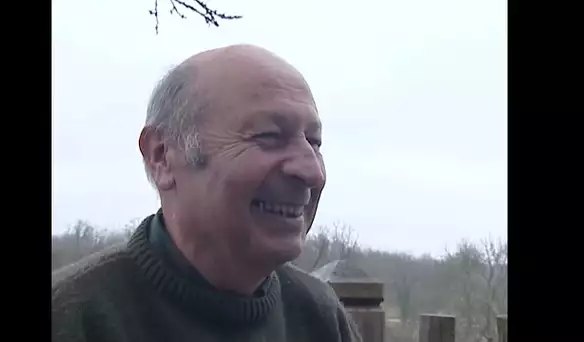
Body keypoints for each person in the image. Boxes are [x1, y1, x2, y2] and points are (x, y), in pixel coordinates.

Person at [52, 44, 362, 342]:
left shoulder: (318, 316)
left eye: (314, 142)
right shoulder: (74, 319)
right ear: (162, 156)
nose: (312, 172)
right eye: (269, 136)